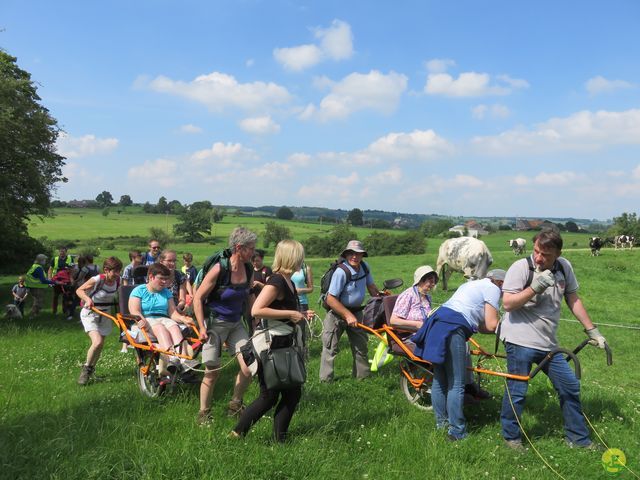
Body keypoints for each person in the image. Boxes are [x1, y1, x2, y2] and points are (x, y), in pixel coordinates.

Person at [499, 229, 607, 451]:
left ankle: (578, 440)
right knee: (517, 390)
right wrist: (534, 287)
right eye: (536, 251)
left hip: (547, 343)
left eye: (545, 255)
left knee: (569, 386)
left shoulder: (564, 268)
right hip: (518, 339)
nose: (539, 257)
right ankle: (511, 438)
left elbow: (573, 299)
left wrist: (592, 331)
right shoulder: (520, 268)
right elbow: (508, 304)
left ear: (558, 253)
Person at [231, 239, 314, 442]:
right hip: (272, 346)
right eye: (299, 256)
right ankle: (236, 434)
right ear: (291, 257)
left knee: (291, 394)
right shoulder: (277, 281)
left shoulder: (289, 282)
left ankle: (280, 440)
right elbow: (257, 310)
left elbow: (282, 310)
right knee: (269, 396)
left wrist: (302, 313)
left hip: (284, 343)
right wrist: (291, 313)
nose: (301, 261)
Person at [412, 269, 505, 441]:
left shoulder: (471, 284)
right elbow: (492, 325)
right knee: (457, 383)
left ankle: (442, 425)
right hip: (453, 327)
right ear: (500, 283)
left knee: (440, 379)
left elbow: (481, 325)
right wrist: (508, 331)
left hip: (437, 322)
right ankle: (457, 432)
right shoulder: (493, 288)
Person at [193, 227, 257, 425]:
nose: (254, 252)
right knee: (212, 372)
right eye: (251, 248)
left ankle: (235, 404)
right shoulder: (220, 269)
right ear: (239, 248)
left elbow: (249, 296)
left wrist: (254, 320)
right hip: (215, 324)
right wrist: (202, 328)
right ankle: (203, 413)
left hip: (236, 323)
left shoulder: (248, 269)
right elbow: (198, 297)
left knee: (249, 367)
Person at [319, 240, 381, 382]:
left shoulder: (365, 267)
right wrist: (347, 315)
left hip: (357, 313)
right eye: (351, 253)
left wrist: (380, 296)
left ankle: (362, 378)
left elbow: (371, 286)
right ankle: (325, 381)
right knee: (330, 348)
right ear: (346, 254)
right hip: (336, 313)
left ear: (362, 255)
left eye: (358, 254)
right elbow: (330, 299)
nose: (355, 257)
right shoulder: (342, 272)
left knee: (361, 346)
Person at [128, 262, 196, 376]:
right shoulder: (139, 290)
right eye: (161, 279)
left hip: (164, 318)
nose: (164, 282)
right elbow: (134, 310)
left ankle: (184, 361)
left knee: (174, 327)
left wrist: (183, 319)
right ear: (151, 277)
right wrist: (141, 319)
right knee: (160, 328)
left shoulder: (166, 292)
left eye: (166, 279)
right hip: (146, 318)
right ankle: (172, 358)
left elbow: (172, 313)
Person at [76, 257, 123, 385]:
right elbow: (79, 290)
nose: (117, 274)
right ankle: (85, 370)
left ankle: (90, 370)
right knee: (96, 342)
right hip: (91, 313)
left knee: (100, 345)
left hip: (105, 314)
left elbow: (120, 297)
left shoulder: (117, 280)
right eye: (115, 271)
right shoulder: (97, 279)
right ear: (106, 270)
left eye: (119, 271)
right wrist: (87, 299)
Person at [48, 246, 73, 315]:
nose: (62, 253)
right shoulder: (55, 259)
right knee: (55, 296)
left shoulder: (70, 258)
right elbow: (50, 269)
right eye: (60, 251)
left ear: (66, 252)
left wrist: (71, 280)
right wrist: (49, 279)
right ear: (59, 252)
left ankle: (65, 310)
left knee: (66, 296)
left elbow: (72, 270)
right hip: (56, 280)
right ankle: (54, 311)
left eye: (63, 251)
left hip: (66, 281)